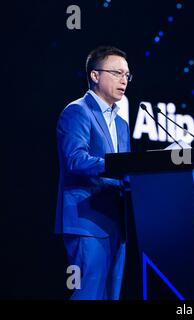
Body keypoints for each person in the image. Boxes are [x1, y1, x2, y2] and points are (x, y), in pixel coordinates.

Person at [55, 46, 131, 300]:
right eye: (117, 73)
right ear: (95, 76)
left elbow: (125, 171)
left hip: (115, 224)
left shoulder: (121, 123)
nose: (124, 80)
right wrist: (119, 165)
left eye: (127, 75)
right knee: (86, 295)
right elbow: (75, 159)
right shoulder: (77, 111)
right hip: (87, 221)